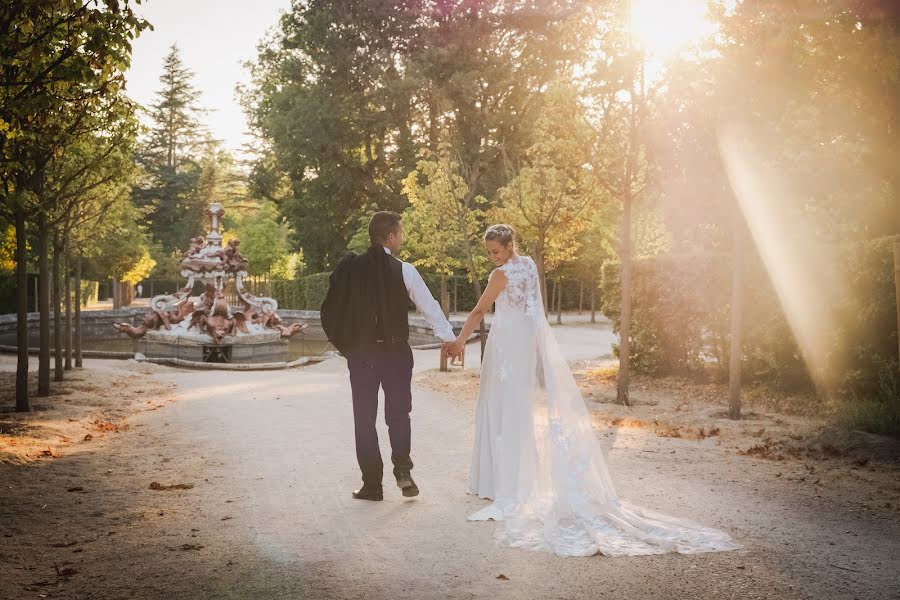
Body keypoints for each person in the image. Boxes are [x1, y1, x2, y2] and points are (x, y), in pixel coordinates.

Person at [443, 224, 741, 557]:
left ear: (510, 246)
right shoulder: (529, 265)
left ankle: (503, 484)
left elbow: (481, 310)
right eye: (488, 253)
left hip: (509, 346)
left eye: (495, 251)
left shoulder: (501, 274)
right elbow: (536, 313)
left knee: (504, 408)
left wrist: (458, 341)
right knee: (514, 409)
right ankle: (506, 481)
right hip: (522, 344)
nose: (491, 257)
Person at [321, 211, 457, 501]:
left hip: (362, 355)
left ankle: (372, 485)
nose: (402, 238)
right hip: (395, 352)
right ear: (391, 237)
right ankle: (403, 471)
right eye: (401, 233)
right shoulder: (404, 270)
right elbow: (429, 306)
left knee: (364, 419)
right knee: (398, 413)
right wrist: (448, 338)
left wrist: (347, 343)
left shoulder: (350, 269)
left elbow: (332, 306)